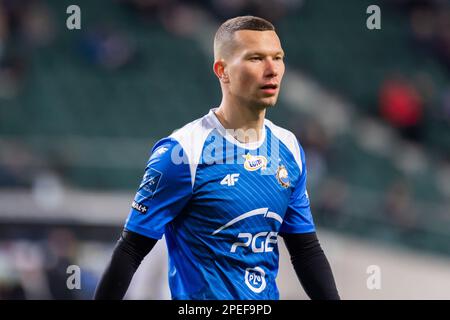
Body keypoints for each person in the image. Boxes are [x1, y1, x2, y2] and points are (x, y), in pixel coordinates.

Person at [94, 15, 340, 300]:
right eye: (256, 58)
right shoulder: (183, 151)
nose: (272, 70)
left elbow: (305, 250)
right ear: (222, 70)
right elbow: (130, 250)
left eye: (278, 57)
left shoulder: (289, 147)